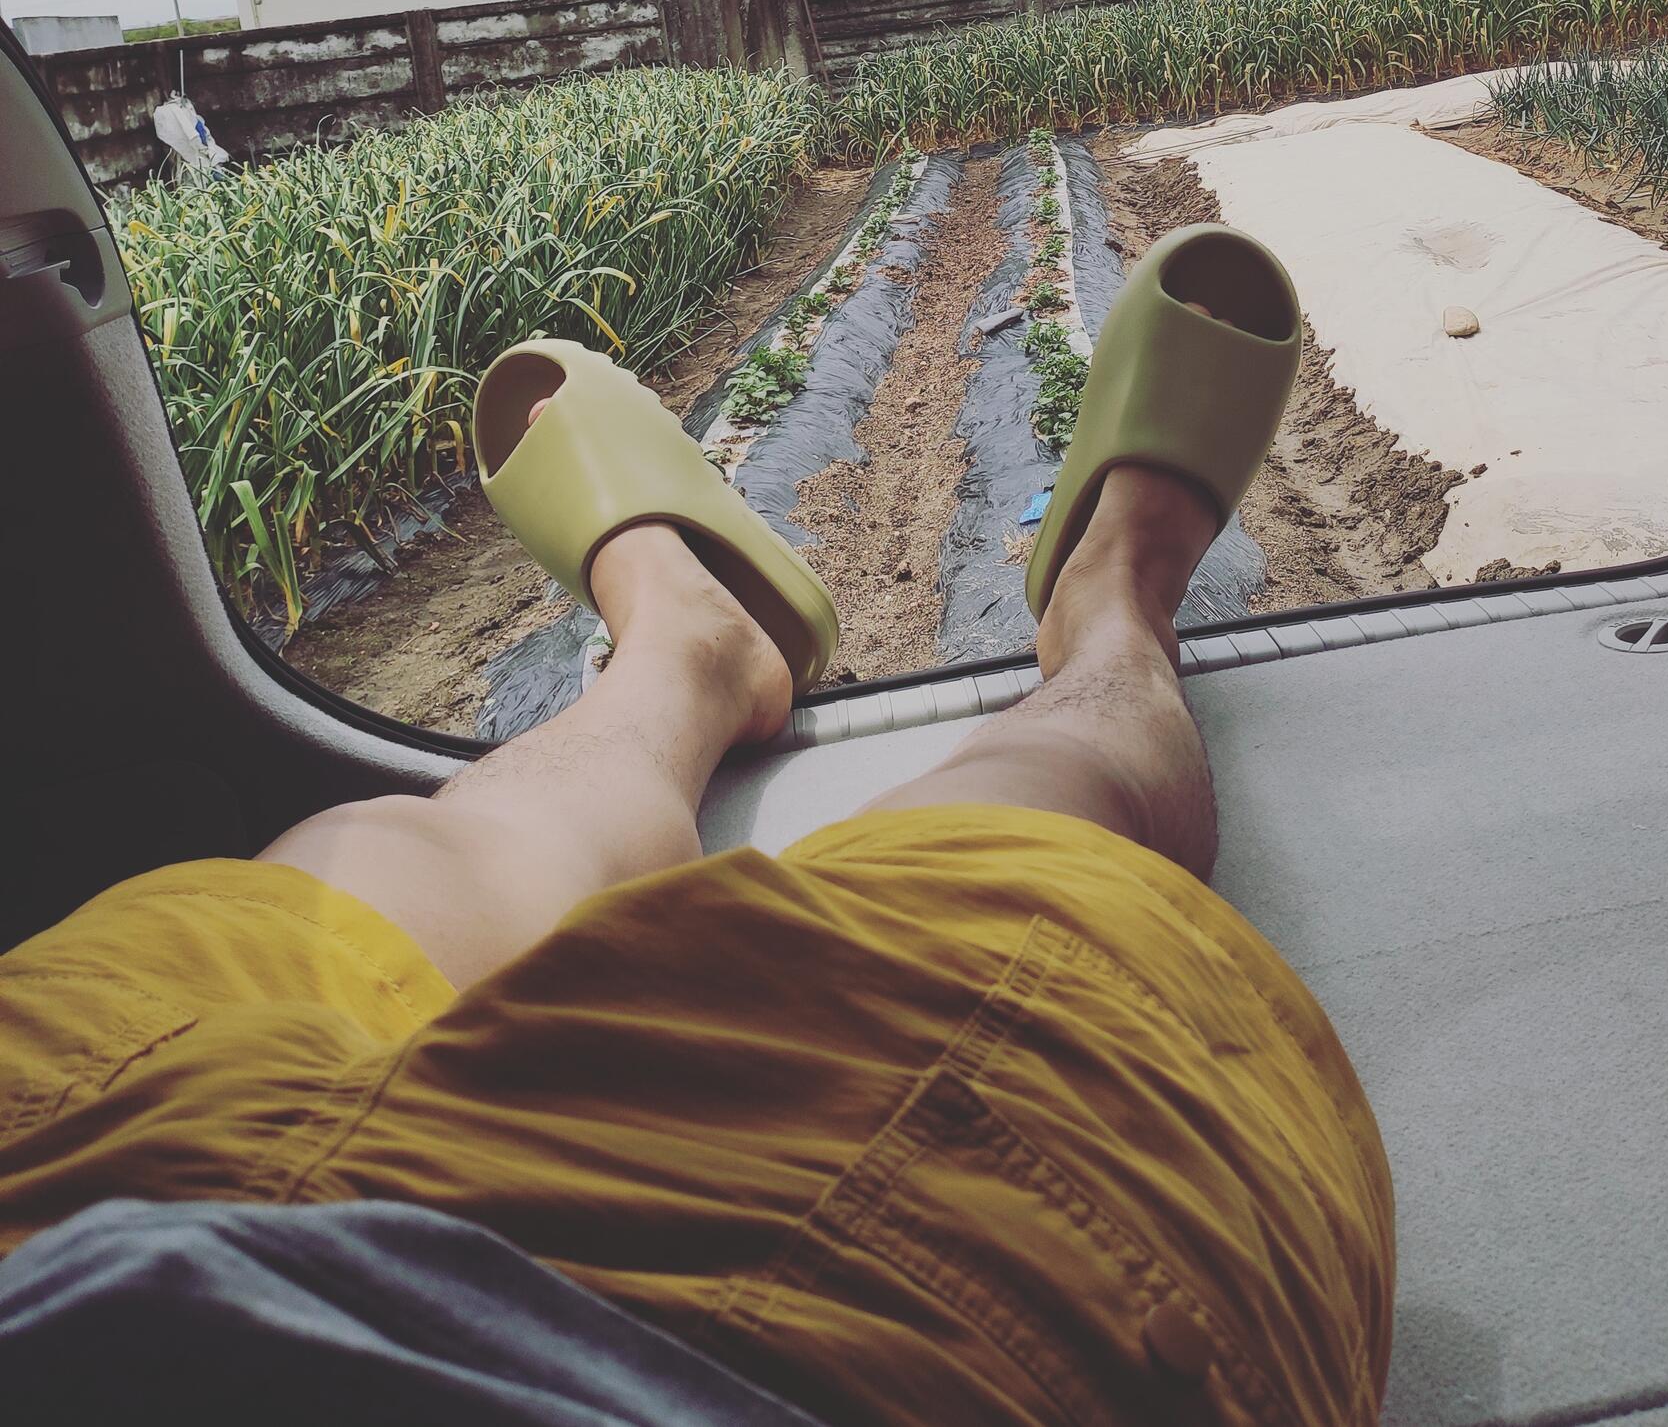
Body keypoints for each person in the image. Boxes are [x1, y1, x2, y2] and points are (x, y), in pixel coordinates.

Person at [0, 231, 1393, 1425]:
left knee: (346, 871)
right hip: (787, 1323)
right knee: (1012, 852)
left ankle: (685, 652)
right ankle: (1115, 609)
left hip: (51, 1189)